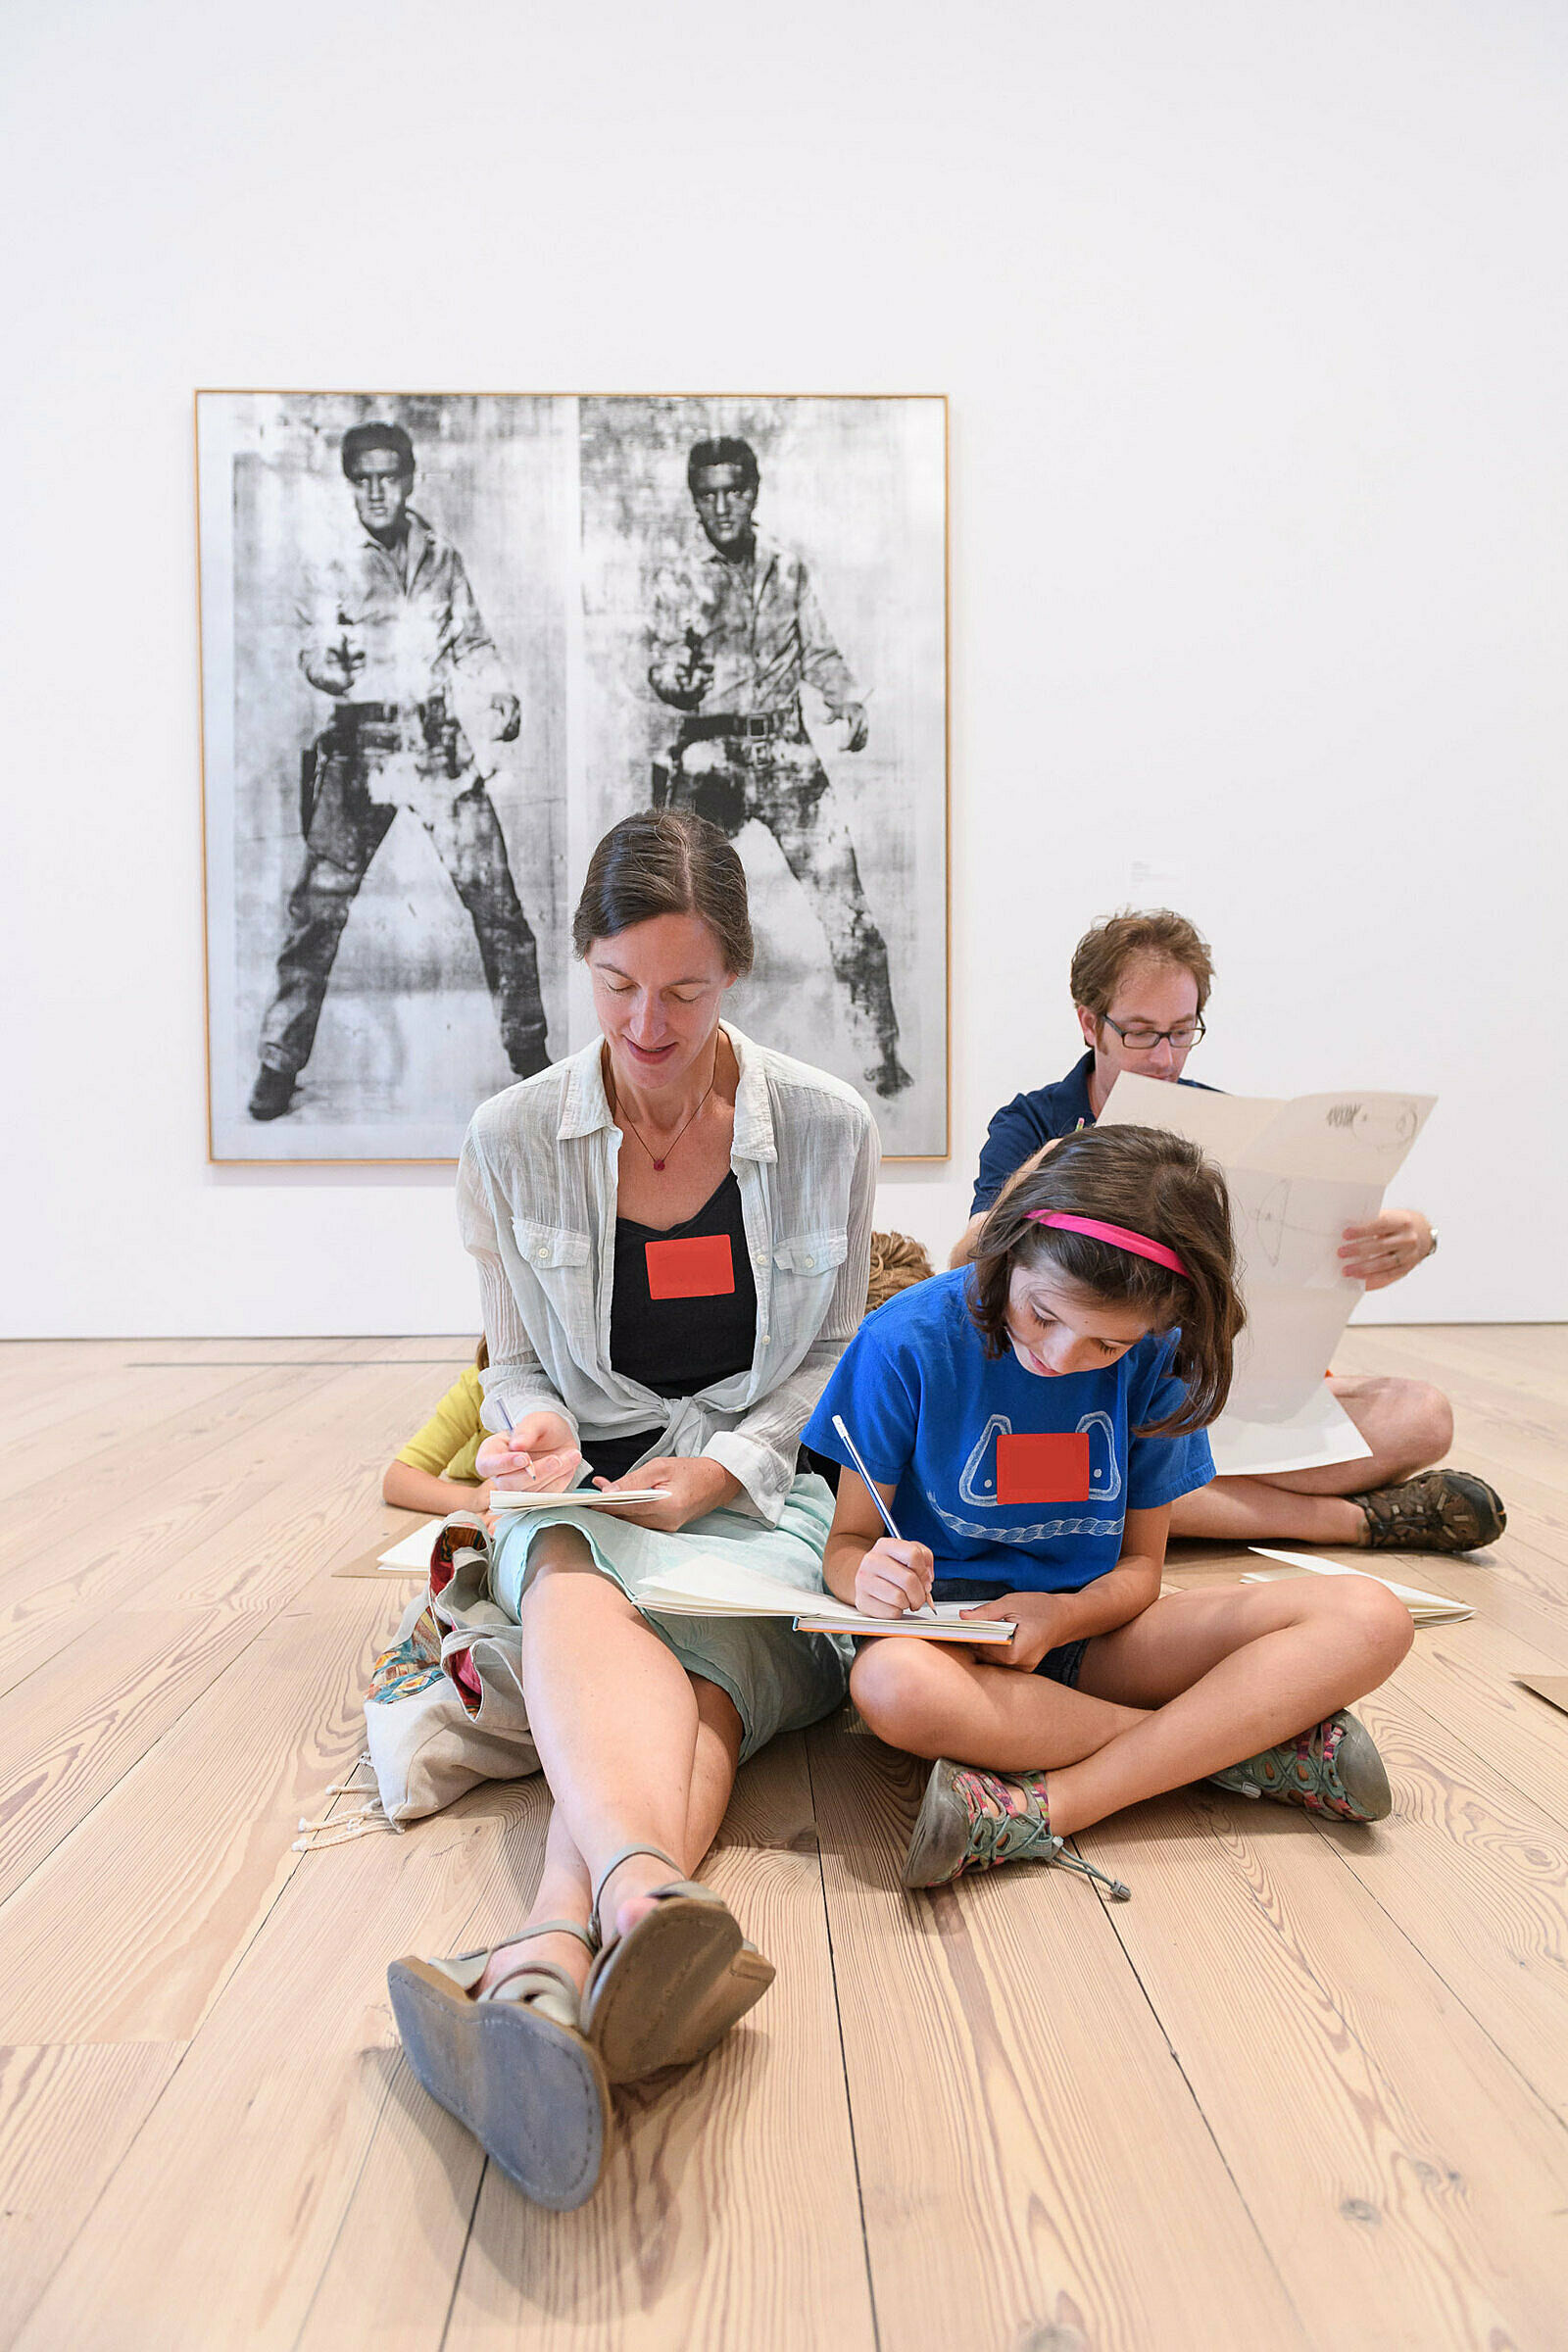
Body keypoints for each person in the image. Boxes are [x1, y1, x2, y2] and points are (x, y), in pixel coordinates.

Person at [387, 808, 878, 2208]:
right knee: (574, 1574)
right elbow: (520, 1362)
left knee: (710, 1657)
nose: (647, 1025)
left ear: (737, 975)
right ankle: (652, 1904)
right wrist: (533, 1431)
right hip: (590, 1492)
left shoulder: (828, 1127)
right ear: (580, 969)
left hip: (758, 1486)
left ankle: (550, 1948)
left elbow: (834, 1356)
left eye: (686, 991)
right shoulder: (511, 1136)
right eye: (616, 987)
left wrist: (721, 1478)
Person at [806, 1126, 1415, 1893]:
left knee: (1371, 1616)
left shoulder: (1163, 1356)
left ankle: (1049, 1805)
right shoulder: (905, 1341)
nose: (1061, 1357)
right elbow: (845, 1547)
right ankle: (1239, 1755)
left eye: (1105, 1345)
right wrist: (871, 1581)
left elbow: (1139, 1571)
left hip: (1096, 1633)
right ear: (1011, 1248)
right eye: (1041, 1315)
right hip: (953, 1646)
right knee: (890, 1687)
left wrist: (1060, 1620)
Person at [952, 909, 1504, 1554]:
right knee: (1033, 1473)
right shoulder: (1032, 1123)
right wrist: (1044, 1171)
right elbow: (964, 1261)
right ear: (1089, 1024)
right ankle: (1348, 1520)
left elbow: (1283, 1258)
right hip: (1082, 1392)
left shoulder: (1215, 1122)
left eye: (1183, 1033)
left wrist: (1410, 1237)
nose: (1164, 1057)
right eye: (1141, 1033)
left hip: (1207, 1390)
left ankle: (1207, 1500)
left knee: (1422, 1415)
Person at [249, 420, 550, 1121]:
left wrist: (497, 689)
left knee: (499, 907)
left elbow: (470, 640)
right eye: (363, 479)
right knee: (317, 913)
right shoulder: (330, 563)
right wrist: (329, 667)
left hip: (437, 742)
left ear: (410, 478)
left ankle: (532, 1058)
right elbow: (314, 650)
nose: (377, 491)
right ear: (352, 484)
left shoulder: (442, 555)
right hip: (361, 746)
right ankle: (277, 1061)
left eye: (389, 477)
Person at [647, 434, 911, 1099]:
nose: (723, 506)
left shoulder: (786, 569)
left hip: (786, 751)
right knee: (668, 921)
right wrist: (678, 676)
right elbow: (660, 669)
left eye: (734, 490)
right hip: (707, 755)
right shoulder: (679, 577)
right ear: (695, 502)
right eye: (708, 495)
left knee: (847, 909)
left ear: (754, 492)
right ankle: (665, 1069)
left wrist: (847, 699)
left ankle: (882, 1062)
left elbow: (817, 650)